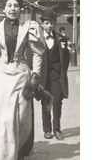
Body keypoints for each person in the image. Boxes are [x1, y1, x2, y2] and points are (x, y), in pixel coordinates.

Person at [0, 0, 46, 160]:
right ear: (4, 8)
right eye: (9, 5)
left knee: (22, 117)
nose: (13, 9)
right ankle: (2, 154)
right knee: (0, 118)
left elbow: (38, 52)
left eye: (16, 6)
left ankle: (18, 150)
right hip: (0, 76)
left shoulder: (29, 26)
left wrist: (35, 74)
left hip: (21, 74)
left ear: (20, 9)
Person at [39, 9, 70, 140]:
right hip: (43, 75)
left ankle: (57, 129)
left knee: (57, 101)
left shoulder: (60, 38)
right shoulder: (37, 39)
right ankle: (47, 130)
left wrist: (61, 70)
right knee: (46, 102)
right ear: (42, 24)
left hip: (56, 75)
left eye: (52, 23)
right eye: (47, 23)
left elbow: (66, 57)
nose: (49, 26)